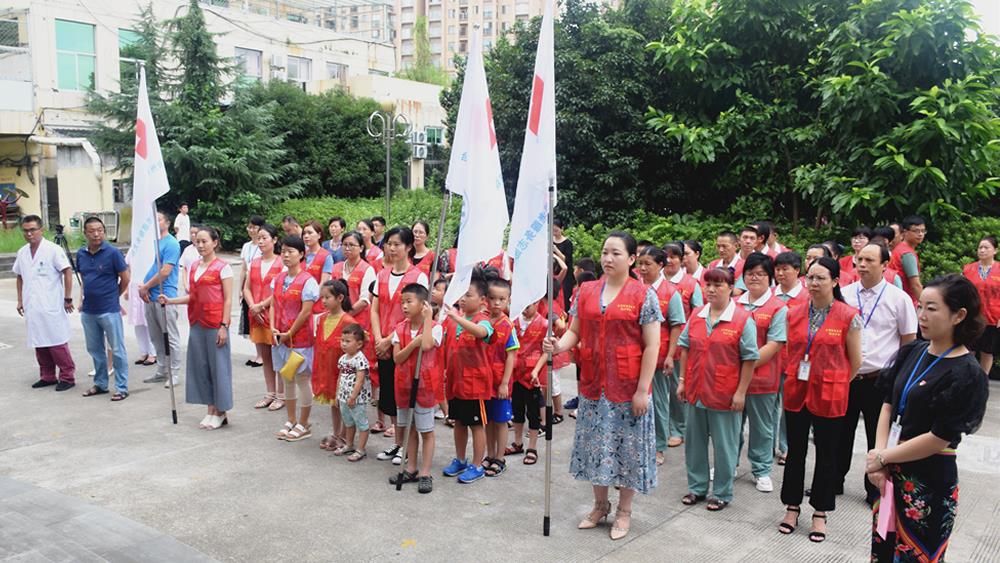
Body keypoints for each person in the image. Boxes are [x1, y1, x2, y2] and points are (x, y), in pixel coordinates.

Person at [543, 231, 663, 541]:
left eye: (616, 253)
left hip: (627, 388)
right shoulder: (586, 291)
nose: (608, 259)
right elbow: (575, 332)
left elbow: (652, 346)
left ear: (632, 259)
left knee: (628, 451)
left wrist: (642, 389)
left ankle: (624, 511)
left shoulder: (643, 294)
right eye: (605, 252)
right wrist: (557, 347)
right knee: (595, 448)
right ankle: (600, 505)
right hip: (594, 387)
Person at [868, 275, 988, 561]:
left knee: (918, 553)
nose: (921, 316)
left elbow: (939, 438)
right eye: (920, 307)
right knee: (883, 547)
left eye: (931, 309)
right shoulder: (913, 351)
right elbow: (888, 404)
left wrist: (884, 458)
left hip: (928, 480)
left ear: (959, 315)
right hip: (889, 470)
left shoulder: (966, 373)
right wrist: (879, 456)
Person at [779, 257, 862, 543]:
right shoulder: (793, 312)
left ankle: (820, 512)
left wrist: (835, 381)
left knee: (827, 455)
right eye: (810, 278)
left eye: (820, 278)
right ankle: (791, 506)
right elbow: (790, 350)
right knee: (796, 452)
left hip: (830, 393)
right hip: (797, 391)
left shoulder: (848, 315)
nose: (813, 283)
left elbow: (855, 362)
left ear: (836, 281)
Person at [838, 243, 917, 505]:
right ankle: (834, 480)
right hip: (848, 376)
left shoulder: (899, 298)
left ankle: (873, 489)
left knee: (877, 436)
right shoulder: (845, 294)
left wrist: (900, 377)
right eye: (859, 259)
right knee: (840, 432)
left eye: (869, 260)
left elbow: (908, 340)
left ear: (885, 265)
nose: (862, 264)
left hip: (880, 378)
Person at [677, 267, 759, 511]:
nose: (711, 290)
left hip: (725, 392)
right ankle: (697, 487)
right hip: (696, 388)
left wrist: (741, 392)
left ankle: (722, 491)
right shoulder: (697, 314)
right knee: (694, 442)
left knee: (725, 445)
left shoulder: (743, 319)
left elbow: (749, 359)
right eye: (708, 284)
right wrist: (682, 380)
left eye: (718, 285)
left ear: (731, 288)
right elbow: (685, 348)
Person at [159, 226, 233, 430]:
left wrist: (224, 325)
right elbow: (193, 297)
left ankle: (221, 410)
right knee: (202, 368)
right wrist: (170, 300)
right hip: (197, 324)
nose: (200, 245)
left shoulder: (223, 267)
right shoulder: (194, 267)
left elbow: (228, 300)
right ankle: (210, 409)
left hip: (215, 324)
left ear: (215, 242)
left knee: (218, 369)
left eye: (205, 241)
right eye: (197, 241)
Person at [370, 226, 430, 462]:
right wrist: (378, 339)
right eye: (388, 244)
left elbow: (414, 313)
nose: (392, 248)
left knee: (406, 395)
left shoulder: (418, 277)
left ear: (408, 247)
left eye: (397, 244)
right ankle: (397, 443)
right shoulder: (382, 274)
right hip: (383, 344)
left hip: (404, 345)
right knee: (390, 394)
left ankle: (408, 446)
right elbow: (375, 310)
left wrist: (388, 339)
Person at [736, 253, 788, 494]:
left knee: (762, 427)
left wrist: (747, 363)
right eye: (750, 273)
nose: (754, 278)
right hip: (732, 379)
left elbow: (774, 344)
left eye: (760, 274)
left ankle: (761, 469)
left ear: (770, 278)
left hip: (762, 379)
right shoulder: (733, 303)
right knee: (730, 425)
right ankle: (730, 464)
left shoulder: (778, 307)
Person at [440, 274, 495, 484]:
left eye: (468, 295)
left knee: (476, 424)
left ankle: (477, 464)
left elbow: (483, 333)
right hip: (456, 382)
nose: (463, 299)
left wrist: (457, 318)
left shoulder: (483, 320)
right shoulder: (454, 322)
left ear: (482, 300)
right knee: (459, 423)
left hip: (475, 384)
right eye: (461, 295)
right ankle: (460, 459)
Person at [389, 283, 444, 493]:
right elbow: (397, 357)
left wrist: (428, 319)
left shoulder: (435, 327)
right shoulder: (400, 328)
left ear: (423, 305)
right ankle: (410, 467)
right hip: (403, 385)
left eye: (409, 301)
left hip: (424, 387)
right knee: (409, 429)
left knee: (426, 430)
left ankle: (425, 472)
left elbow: (428, 345)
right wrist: (412, 344)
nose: (404, 306)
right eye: (402, 301)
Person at [13, 215, 76, 391]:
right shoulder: (22, 252)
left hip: (51, 303)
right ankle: (47, 376)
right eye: (25, 230)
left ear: (41, 230)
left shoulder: (53, 250)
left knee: (56, 342)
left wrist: (68, 297)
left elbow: (67, 271)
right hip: (32, 305)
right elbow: (19, 276)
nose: (29, 233)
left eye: (32, 229)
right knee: (39, 342)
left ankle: (67, 376)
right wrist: (20, 300)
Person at [637, 246, 686, 465]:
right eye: (640, 263)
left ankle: (658, 447)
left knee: (658, 401)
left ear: (660, 265)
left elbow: (676, 325)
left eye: (648, 264)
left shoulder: (670, 292)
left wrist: (670, 355)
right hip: (635, 355)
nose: (643, 268)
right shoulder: (634, 288)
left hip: (659, 355)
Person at [270, 236, 318, 442]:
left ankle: (304, 422)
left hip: (300, 339)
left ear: (301, 254)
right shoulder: (278, 279)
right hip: (279, 337)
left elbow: (306, 311)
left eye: (291, 251)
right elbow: (272, 304)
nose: (286, 255)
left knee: (301, 379)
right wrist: (272, 327)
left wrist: (290, 332)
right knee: (286, 378)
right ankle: (290, 419)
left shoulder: (308, 281)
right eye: (283, 251)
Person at [77, 217, 130, 401]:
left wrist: (115, 295)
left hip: (109, 309)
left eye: (100, 230)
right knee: (95, 349)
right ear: (85, 233)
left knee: (117, 349)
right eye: (92, 230)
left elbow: (125, 278)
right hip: (89, 310)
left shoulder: (113, 253)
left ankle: (122, 387)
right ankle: (100, 384)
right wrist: (81, 299)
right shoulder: (81, 254)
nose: (97, 233)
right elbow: (84, 279)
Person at [313, 280, 362, 453]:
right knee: (334, 403)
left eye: (327, 297)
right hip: (327, 368)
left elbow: (359, 346)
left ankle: (345, 436)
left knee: (344, 405)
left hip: (344, 372)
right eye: (322, 297)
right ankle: (336, 433)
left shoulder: (348, 321)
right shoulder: (322, 319)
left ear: (340, 298)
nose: (324, 301)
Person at [664, 242, 704, 448]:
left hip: (681, 346)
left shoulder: (690, 284)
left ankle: (678, 428)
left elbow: (698, 314)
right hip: (656, 344)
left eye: (674, 256)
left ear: (682, 260)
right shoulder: (654, 279)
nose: (669, 260)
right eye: (666, 256)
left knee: (676, 389)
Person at [244, 224, 285, 411]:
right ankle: (270, 392)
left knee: (279, 356)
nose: (260, 242)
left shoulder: (281, 263)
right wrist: (253, 306)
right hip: (256, 316)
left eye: (264, 238)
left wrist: (261, 306)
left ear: (274, 240)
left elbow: (279, 291)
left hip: (274, 316)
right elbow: (246, 288)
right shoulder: (254, 263)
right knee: (265, 357)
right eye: (258, 238)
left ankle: (282, 394)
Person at [139, 211, 181, 388]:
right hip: (149, 297)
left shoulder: (171, 243)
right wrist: (143, 287)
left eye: (160, 219)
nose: (156, 223)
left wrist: (147, 286)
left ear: (168, 222)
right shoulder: (152, 243)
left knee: (170, 336)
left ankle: (175, 373)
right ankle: (161, 369)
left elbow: (165, 271)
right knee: (155, 336)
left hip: (165, 297)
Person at [484, 278, 517, 477]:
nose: (496, 303)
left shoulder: (508, 325)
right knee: (487, 421)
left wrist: (504, 383)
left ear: (508, 301)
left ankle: (500, 458)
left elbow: (511, 356)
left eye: (501, 299)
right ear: (486, 299)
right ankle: (489, 454)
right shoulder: (483, 321)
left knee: (501, 421)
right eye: (492, 298)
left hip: (500, 382)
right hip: (483, 381)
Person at [507, 298, 545, 466]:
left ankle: (532, 447)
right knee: (517, 410)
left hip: (532, 376)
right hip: (515, 374)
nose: (524, 309)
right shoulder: (513, 322)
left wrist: (536, 370)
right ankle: (517, 443)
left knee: (533, 412)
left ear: (537, 304)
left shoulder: (543, 324)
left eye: (528, 306)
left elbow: (546, 351)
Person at [334, 323, 372, 462]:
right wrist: (337, 395)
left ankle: (361, 449)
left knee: (361, 423)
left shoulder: (360, 359)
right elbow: (340, 377)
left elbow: (360, 381)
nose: (343, 344)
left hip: (356, 399)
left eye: (347, 341)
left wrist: (353, 396)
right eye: (342, 340)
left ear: (359, 344)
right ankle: (349, 444)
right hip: (344, 396)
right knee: (348, 422)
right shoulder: (343, 359)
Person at [963, 236, 999, 374]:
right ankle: (967, 377)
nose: (982, 250)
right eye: (980, 247)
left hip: (993, 318)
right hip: (972, 316)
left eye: (986, 247)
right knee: (969, 348)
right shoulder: (968, 269)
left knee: (987, 351)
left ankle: (983, 379)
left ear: (995, 250)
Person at [332, 231, 376, 331]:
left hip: (358, 322)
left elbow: (365, 300)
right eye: (345, 245)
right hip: (335, 319)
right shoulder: (336, 267)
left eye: (351, 245)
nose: (347, 248)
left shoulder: (367, 269)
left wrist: (343, 316)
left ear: (361, 248)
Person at [239, 216, 264, 365]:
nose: (251, 230)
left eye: (254, 227)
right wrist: (240, 289)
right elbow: (243, 269)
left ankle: (262, 355)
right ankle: (257, 353)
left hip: (259, 285)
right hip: (247, 285)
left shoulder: (263, 245)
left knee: (260, 318)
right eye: (249, 227)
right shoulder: (246, 246)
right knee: (251, 320)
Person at [124, 252, 156, 367]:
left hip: (147, 285)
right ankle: (144, 351)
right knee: (137, 322)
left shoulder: (150, 244)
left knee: (148, 321)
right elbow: (127, 267)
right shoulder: (134, 248)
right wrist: (127, 288)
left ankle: (153, 352)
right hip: (134, 286)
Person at [890, 215, 926, 305]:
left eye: (923, 231)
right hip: (906, 300)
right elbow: (915, 285)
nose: (920, 234)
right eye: (916, 231)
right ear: (905, 232)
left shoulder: (899, 248)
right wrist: (925, 305)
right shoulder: (907, 254)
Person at [302, 220, 333, 315]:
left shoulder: (326, 256)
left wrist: (309, 301)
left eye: (310, 233)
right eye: (304, 233)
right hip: (300, 305)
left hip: (317, 306)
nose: (306, 236)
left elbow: (323, 283)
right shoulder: (301, 255)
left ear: (319, 235)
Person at [553, 218, 576, 310]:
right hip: (554, 271)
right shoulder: (550, 240)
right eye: (552, 230)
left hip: (565, 272)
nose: (554, 232)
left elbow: (566, 259)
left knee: (565, 293)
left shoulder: (567, 243)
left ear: (562, 229)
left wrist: (555, 249)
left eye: (556, 230)